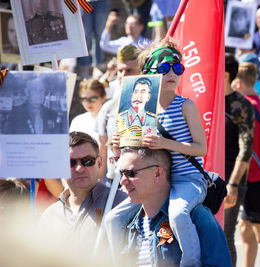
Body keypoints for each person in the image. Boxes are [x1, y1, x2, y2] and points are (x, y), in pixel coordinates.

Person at [112, 40, 208, 266]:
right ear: (149, 74)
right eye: (164, 68)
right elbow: (137, 151)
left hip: (188, 180)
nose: (172, 73)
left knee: (178, 215)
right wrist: (119, 144)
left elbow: (201, 149)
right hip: (155, 183)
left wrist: (165, 142)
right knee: (112, 219)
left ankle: (191, 263)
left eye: (178, 68)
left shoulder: (186, 105)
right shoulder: (142, 108)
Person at [104, 146, 232, 267]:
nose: (123, 181)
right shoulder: (125, 223)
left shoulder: (198, 217)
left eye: (130, 173)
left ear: (157, 174)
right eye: (121, 174)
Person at [38, 131, 127, 248]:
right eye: (71, 163)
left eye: (88, 161)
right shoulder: (50, 216)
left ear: (99, 162)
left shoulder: (122, 204)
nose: (79, 168)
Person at [232, 62, 260, 267]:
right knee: (245, 229)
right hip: (258, 178)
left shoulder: (245, 107)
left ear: (238, 82)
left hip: (256, 180)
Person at [224, 53, 255, 267]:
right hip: (205, 178)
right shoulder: (205, 101)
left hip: (230, 180)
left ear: (225, 75)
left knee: (225, 235)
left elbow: (246, 149)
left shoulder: (241, 105)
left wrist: (233, 184)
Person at [96, 44, 140, 182]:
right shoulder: (108, 107)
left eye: (129, 70)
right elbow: (102, 148)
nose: (123, 75)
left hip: (142, 178)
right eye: (120, 71)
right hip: (114, 179)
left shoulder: (153, 104)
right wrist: (98, 183)